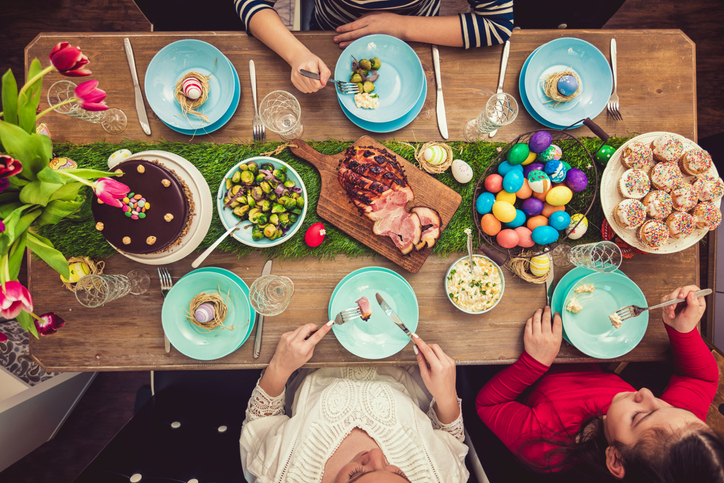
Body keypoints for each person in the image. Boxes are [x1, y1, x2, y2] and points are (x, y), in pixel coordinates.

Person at [476, 285, 724, 482]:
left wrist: (533, 364)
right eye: (670, 406)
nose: (646, 393)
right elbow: (700, 378)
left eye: (638, 417)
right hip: (579, 355)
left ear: (615, 459)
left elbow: (489, 405)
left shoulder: (543, 447)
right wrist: (683, 331)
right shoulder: (679, 427)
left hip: (517, 369)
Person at [240, 321, 469, 482]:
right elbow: (449, 440)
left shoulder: (281, 476)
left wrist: (280, 367)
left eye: (356, 474)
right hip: (403, 354)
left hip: (310, 356)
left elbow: (261, 422)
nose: (376, 454)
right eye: (399, 474)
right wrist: (446, 394)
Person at [233, 0, 513, 93]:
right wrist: (296, 54)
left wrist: (403, 26)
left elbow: (497, 23)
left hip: (420, 35)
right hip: (329, 34)